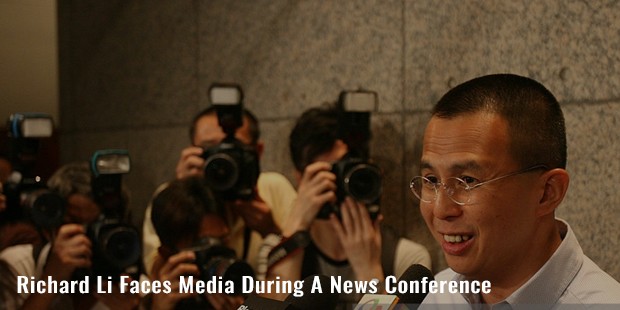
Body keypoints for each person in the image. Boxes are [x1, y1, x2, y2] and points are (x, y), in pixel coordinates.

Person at [412, 74, 620, 307]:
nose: (441, 210)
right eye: (431, 180)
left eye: (468, 180)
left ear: (547, 193)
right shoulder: (436, 297)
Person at [263, 103, 431, 306]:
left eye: (349, 170)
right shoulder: (276, 249)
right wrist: (295, 227)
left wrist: (369, 272)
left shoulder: (405, 258)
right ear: (301, 179)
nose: (342, 184)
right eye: (328, 174)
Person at [142, 107, 297, 276]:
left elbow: (303, 266)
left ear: (257, 152)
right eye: (211, 150)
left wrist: (270, 230)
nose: (223, 163)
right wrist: (184, 195)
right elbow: (155, 275)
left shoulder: (274, 188)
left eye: (233, 150)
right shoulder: (167, 196)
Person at [0, 163, 140, 309]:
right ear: (49, 228)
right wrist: (50, 281)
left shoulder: (125, 278)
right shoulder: (18, 266)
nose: (87, 239)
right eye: (76, 224)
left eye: (96, 227)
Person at [146, 176, 246, 310]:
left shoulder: (242, 288)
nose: (216, 256)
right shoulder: (149, 301)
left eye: (222, 242)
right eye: (203, 246)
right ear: (167, 253)